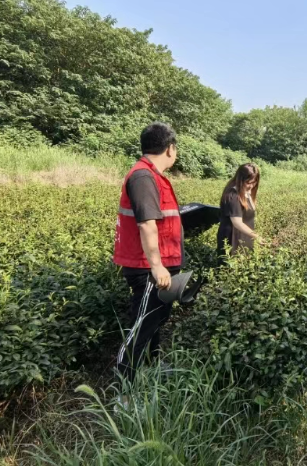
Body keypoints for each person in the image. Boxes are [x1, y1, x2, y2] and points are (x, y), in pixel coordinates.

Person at [112, 122, 184, 383]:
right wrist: (156, 265)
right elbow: (145, 223)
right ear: (170, 149)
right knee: (141, 325)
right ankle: (123, 389)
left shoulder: (151, 175)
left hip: (156, 264)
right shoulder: (143, 177)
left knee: (155, 318)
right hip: (147, 267)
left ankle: (151, 367)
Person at [216, 163, 265, 259]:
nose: (251, 186)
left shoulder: (246, 191)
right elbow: (237, 223)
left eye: (254, 182)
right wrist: (257, 236)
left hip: (244, 235)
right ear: (240, 180)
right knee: (231, 265)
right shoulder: (233, 196)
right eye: (248, 182)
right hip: (232, 237)